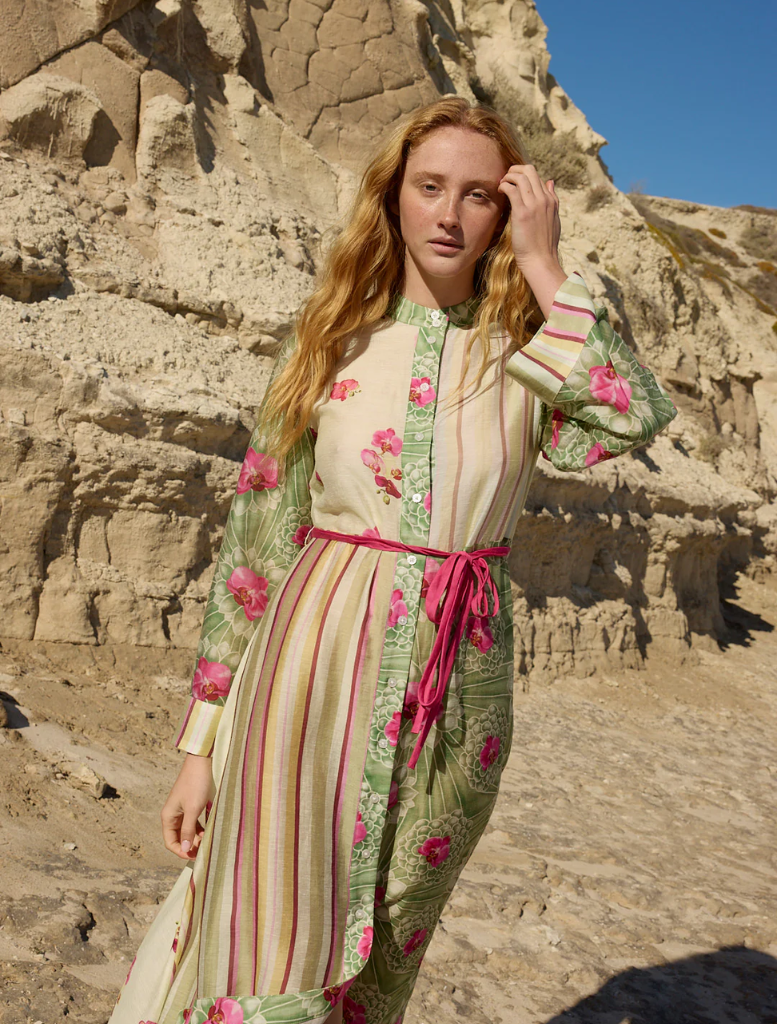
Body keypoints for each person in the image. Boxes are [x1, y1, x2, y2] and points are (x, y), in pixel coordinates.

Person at [109, 96, 676, 1024]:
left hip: (463, 692)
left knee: (388, 950)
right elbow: (255, 544)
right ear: (394, 197)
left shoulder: (531, 351)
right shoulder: (329, 339)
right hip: (309, 673)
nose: (450, 215)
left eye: (481, 196)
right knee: (272, 933)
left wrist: (544, 264)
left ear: (509, 209)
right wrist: (197, 750)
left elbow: (631, 418)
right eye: (429, 187)